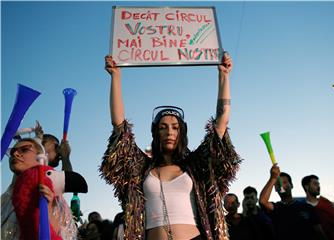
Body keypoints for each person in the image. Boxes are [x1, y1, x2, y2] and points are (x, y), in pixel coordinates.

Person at [100, 52, 240, 239]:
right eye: (163, 128)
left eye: (175, 128)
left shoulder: (194, 165)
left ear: (181, 133)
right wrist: (116, 77)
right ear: (155, 132)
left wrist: (224, 76)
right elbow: (119, 127)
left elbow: (221, 121)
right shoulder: (140, 167)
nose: (169, 132)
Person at [1, 138, 78, 239]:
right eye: (12, 152)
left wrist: (65, 156)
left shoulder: (51, 195)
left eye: (24, 150)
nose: (15, 154)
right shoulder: (8, 196)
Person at [259, 165, 327, 240]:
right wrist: (273, 178)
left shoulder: (307, 207)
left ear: (291, 185)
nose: (281, 185)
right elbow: (262, 201)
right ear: (275, 188)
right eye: (278, 183)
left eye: (284, 182)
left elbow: (319, 232)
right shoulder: (275, 207)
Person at [301, 174, 334, 240]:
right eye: (315, 184)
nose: (318, 186)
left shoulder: (327, 204)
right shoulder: (301, 207)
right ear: (306, 187)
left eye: (318, 184)